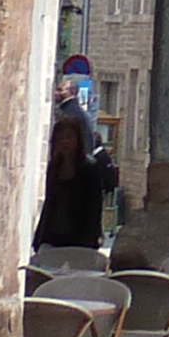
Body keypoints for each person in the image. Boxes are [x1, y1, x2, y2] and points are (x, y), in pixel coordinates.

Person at [35, 105, 115, 256]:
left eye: (70, 137)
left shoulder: (89, 168)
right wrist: (39, 237)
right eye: (61, 137)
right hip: (54, 236)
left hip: (79, 239)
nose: (65, 142)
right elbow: (50, 203)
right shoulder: (54, 167)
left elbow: (94, 207)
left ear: (78, 140)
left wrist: (90, 241)